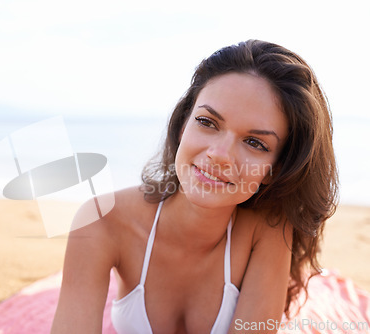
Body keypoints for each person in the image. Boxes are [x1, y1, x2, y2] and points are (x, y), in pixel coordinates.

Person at [51, 39, 338, 334]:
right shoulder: (101, 219)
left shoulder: (268, 230)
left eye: (255, 143)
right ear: (182, 124)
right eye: (207, 121)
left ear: (275, 169)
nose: (219, 154)